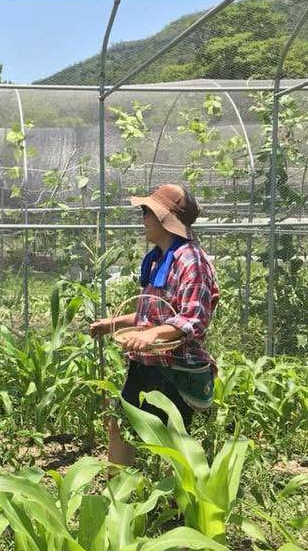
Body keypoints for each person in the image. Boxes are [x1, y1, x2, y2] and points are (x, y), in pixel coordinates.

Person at [89, 184, 219, 465]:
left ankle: (180, 506)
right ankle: (117, 496)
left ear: (164, 219)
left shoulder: (192, 261)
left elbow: (193, 319)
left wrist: (152, 335)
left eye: (147, 212)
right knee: (120, 425)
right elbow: (151, 315)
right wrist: (112, 324)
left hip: (173, 368)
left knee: (175, 444)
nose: (143, 219)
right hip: (146, 363)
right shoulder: (159, 259)